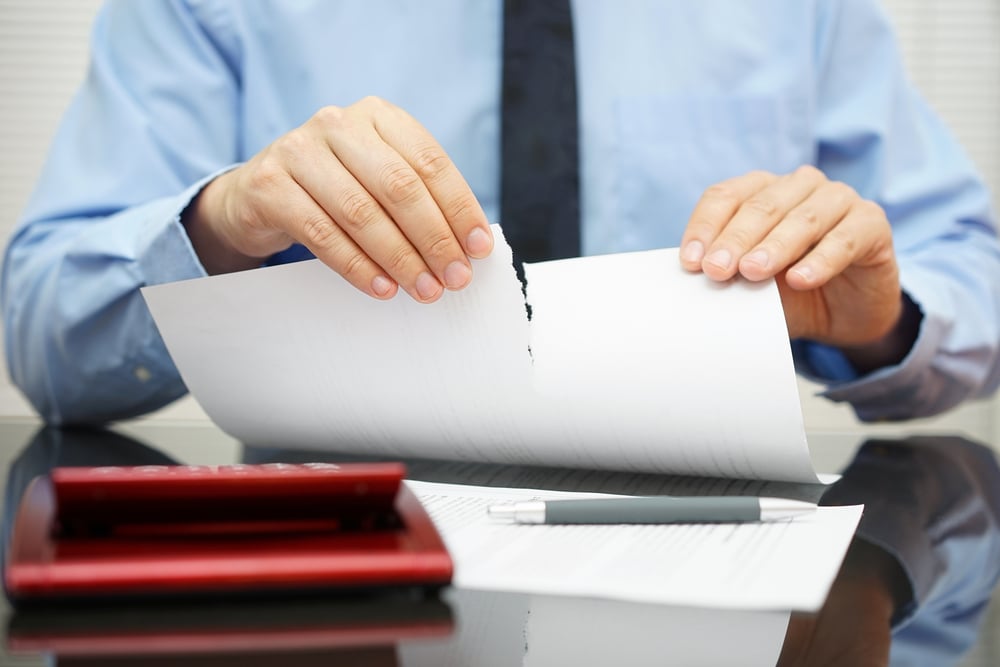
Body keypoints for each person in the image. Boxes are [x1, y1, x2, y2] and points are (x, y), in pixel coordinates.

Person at [3, 0, 999, 428]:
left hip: (735, 554)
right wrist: (219, 224)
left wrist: (881, 323)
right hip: (339, 575)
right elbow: (46, 332)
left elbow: (972, 285)